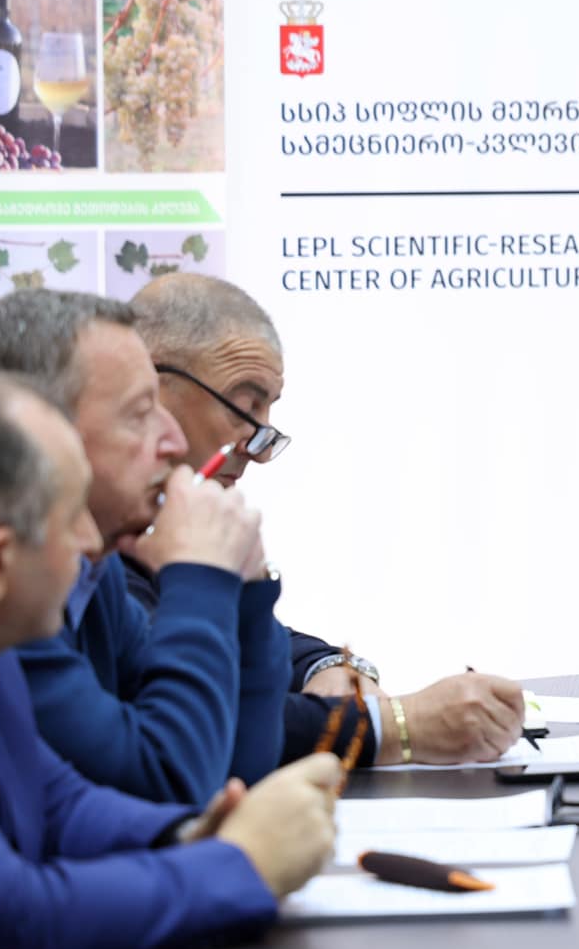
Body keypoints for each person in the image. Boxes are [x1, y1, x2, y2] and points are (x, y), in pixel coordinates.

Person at [0, 370, 338, 949]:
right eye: (71, 517)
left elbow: (59, 804)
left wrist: (191, 835)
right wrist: (243, 863)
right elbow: (17, 914)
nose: (91, 543)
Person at [129, 274, 524, 768]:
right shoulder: (87, 535)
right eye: (244, 408)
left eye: (266, 417)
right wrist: (400, 727)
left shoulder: (160, 522)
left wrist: (324, 665)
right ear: (146, 388)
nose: (259, 452)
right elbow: (192, 720)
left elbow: (235, 645)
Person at [0, 291, 286, 804]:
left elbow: (238, 771)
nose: (174, 443)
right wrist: (200, 575)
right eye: (140, 414)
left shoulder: (95, 574)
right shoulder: (0, 595)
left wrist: (248, 589)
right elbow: (167, 781)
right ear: (40, 433)